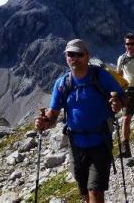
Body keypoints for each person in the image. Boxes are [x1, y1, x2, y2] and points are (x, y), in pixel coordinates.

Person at [35, 39, 124, 203]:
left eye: (79, 54)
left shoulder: (101, 76)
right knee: (84, 192)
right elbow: (53, 114)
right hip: (76, 145)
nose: (74, 58)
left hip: (100, 141)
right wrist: (45, 122)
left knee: (95, 191)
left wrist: (118, 104)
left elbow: (122, 96)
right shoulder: (62, 84)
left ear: (87, 56)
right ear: (65, 56)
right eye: (70, 54)